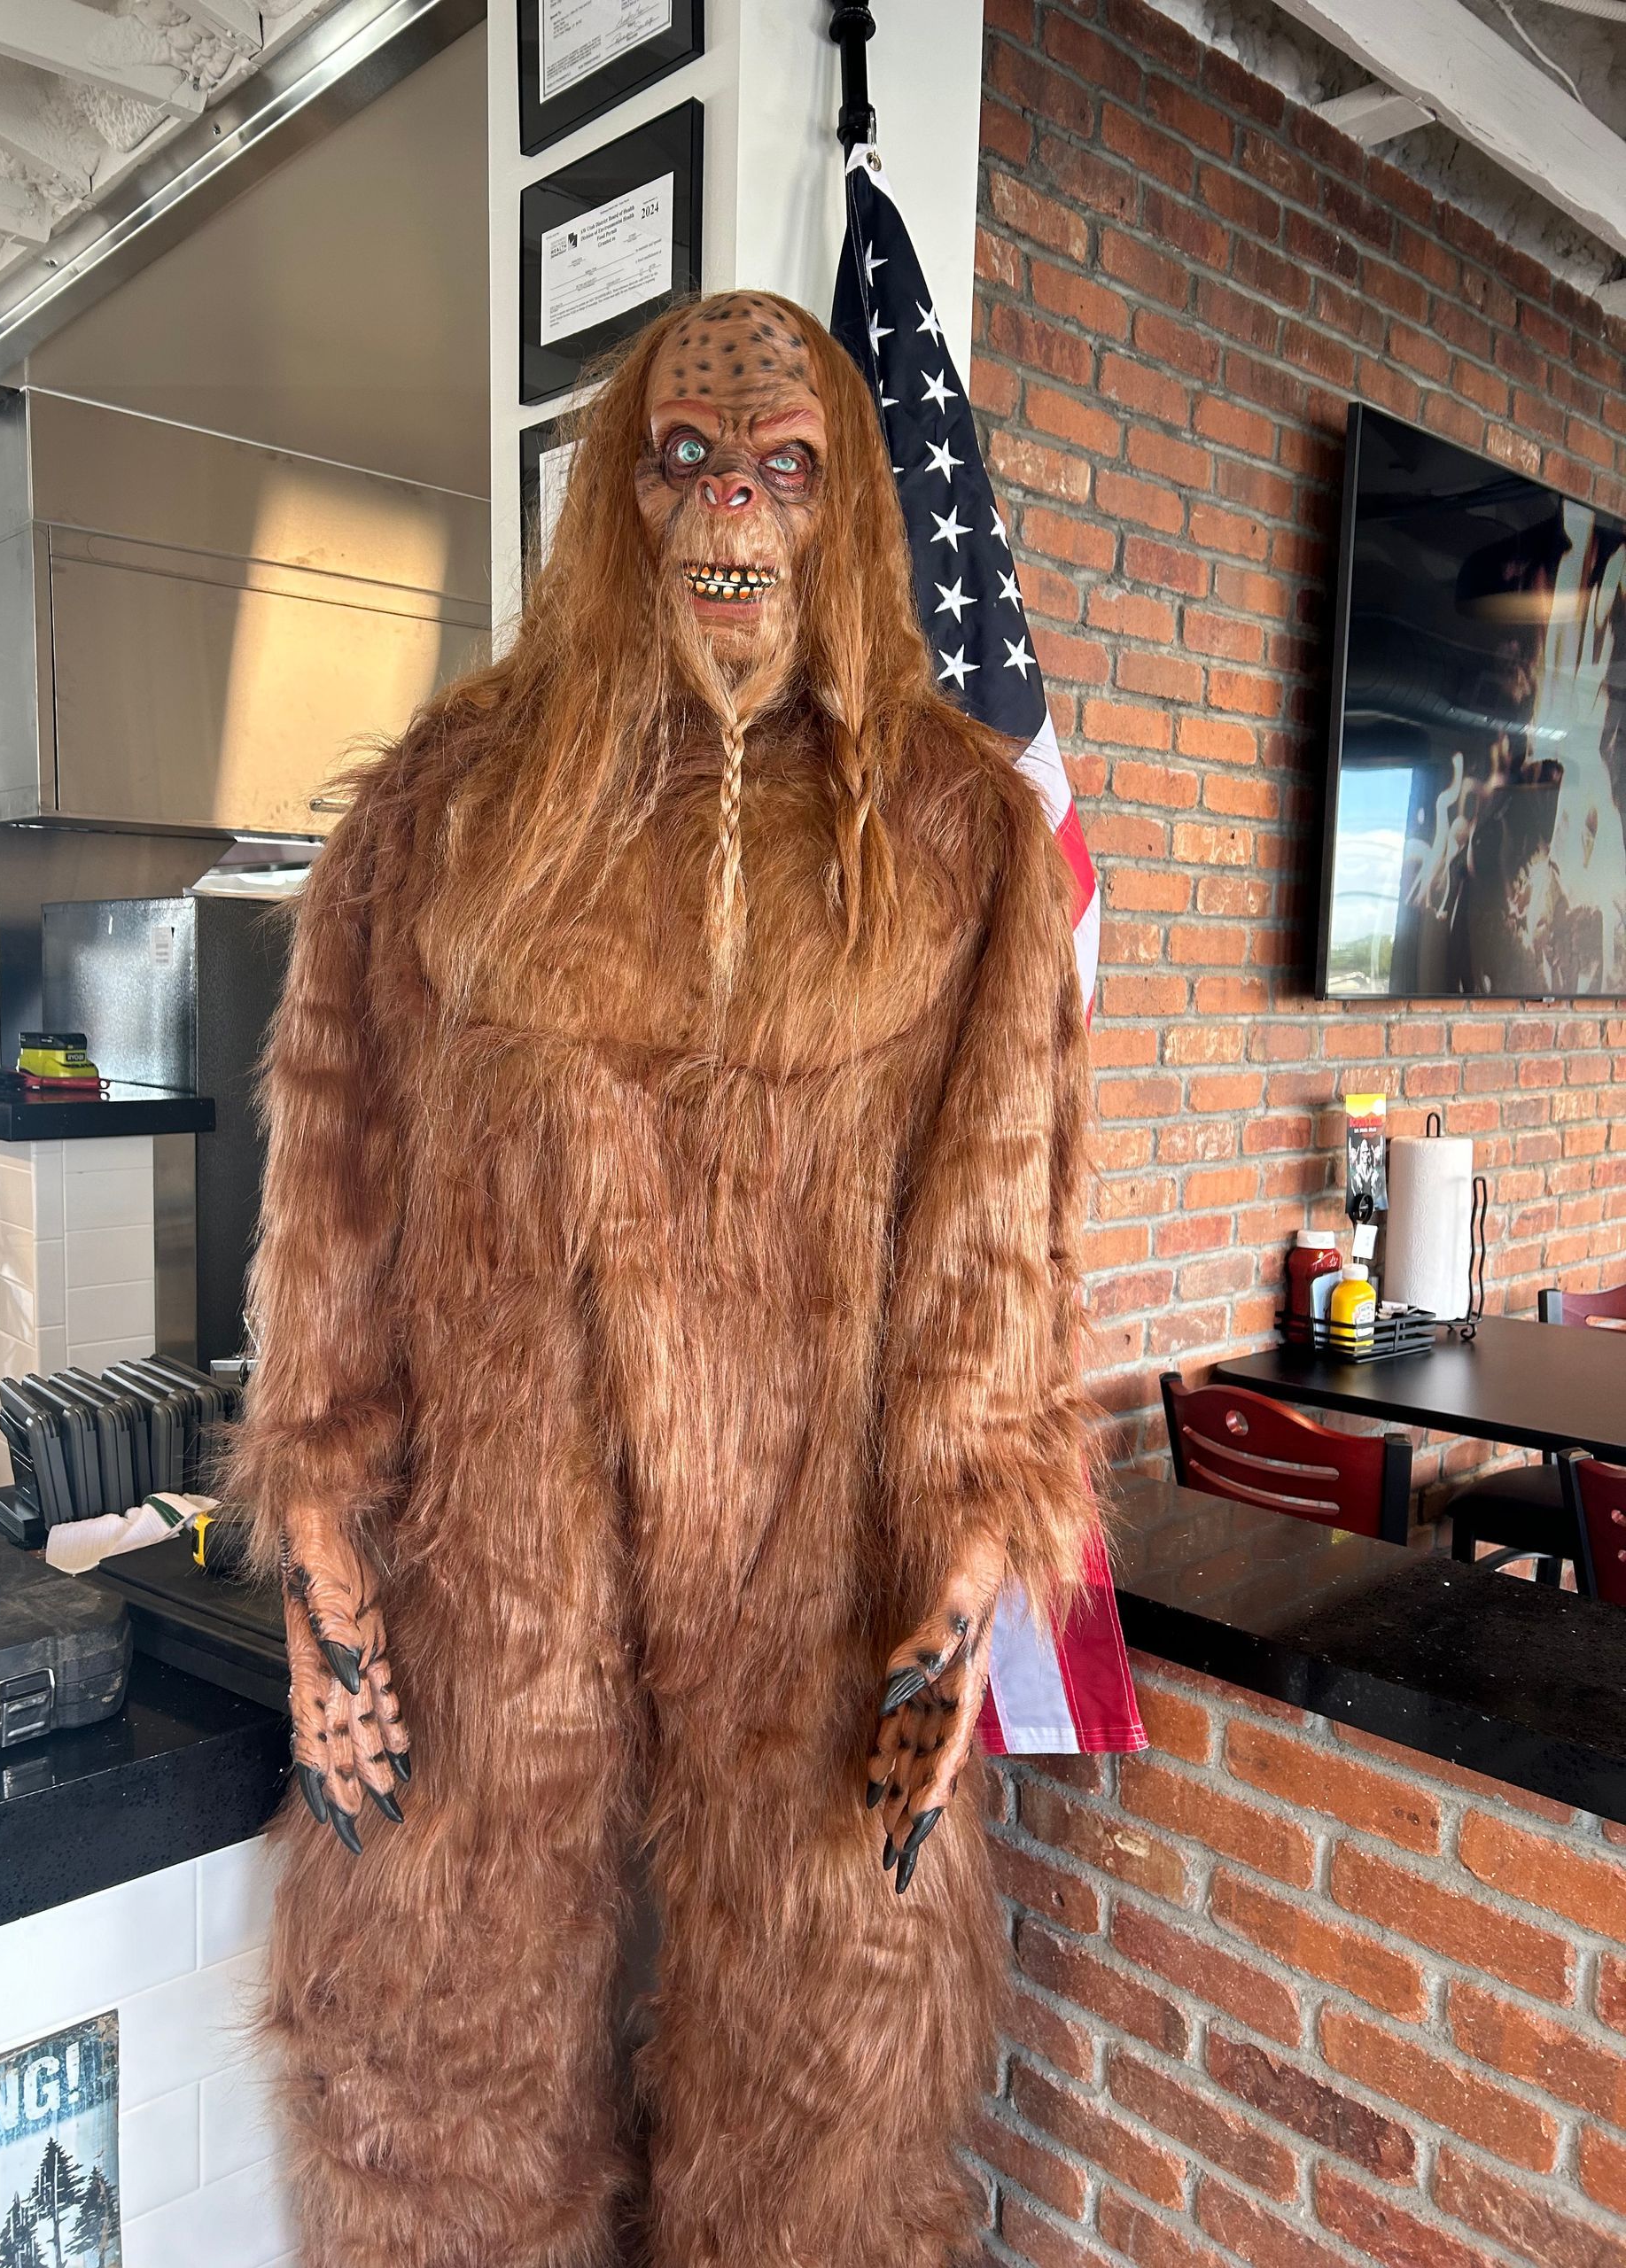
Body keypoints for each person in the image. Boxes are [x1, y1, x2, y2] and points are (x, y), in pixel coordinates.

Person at [227, 289, 1093, 2268]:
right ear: (619, 495)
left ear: (850, 507)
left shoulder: (959, 837)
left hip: (815, 1595)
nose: (731, 511)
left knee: (822, 2115)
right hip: (490, 1578)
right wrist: (329, 1571)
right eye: (685, 459)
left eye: (785, 465)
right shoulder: (448, 806)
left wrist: (961, 1575)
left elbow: (991, 1250)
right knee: (438, 2084)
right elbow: (338, 1197)